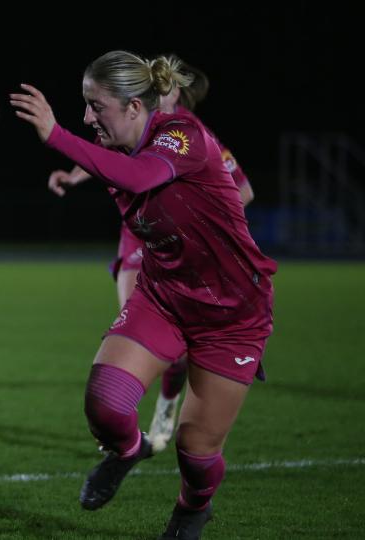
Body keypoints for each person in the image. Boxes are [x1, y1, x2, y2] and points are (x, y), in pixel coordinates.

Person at [10, 51, 276, 539]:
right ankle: (129, 450)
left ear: (135, 108)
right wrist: (75, 168)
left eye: (96, 106)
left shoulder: (184, 134)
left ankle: (193, 506)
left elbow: (139, 176)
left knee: (196, 451)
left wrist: (54, 136)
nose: (87, 117)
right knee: (106, 405)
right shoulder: (121, 149)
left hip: (230, 313)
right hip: (165, 297)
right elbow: (120, 168)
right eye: (84, 106)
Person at [46, 59, 256, 454]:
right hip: (139, 237)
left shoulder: (189, 134)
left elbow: (242, 189)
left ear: (173, 91)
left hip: (187, 252)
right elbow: (106, 158)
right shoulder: (122, 127)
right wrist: (74, 175)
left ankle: (165, 405)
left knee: (178, 362)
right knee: (139, 331)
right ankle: (125, 423)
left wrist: (211, 226)